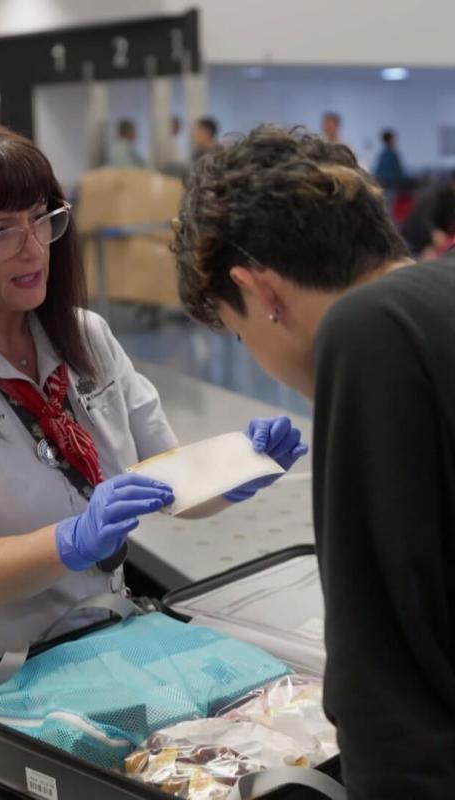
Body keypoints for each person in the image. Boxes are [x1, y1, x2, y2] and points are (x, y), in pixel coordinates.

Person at [0, 121, 306, 693]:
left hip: (94, 648)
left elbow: (167, 474)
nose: (33, 246)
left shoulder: (86, 338)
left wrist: (240, 466)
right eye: (0, 231)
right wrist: (71, 540)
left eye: (41, 218)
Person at [173, 124, 455, 798]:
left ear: (261, 291)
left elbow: (379, 663)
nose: (256, 358)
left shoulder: (369, 331)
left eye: (240, 335)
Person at [401, 170, 455, 257]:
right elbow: (423, 218)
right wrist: (433, 232)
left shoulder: (451, 195)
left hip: (438, 243)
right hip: (416, 240)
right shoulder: (434, 193)